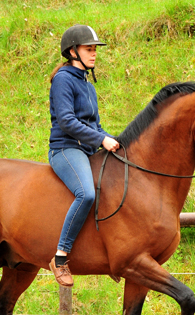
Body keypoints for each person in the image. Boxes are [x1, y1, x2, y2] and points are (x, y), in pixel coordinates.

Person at [47, 24, 120, 287]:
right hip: (66, 149)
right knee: (86, 194)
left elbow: (96, 126)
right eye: (89, 49)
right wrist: (101, 139)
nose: (94, 54)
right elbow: (66, 120)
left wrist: (114, 140)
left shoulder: (88, 85)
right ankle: (61, 257)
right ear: (72, 51)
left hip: (88, 149)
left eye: (95, 49)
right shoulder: (63, 79)